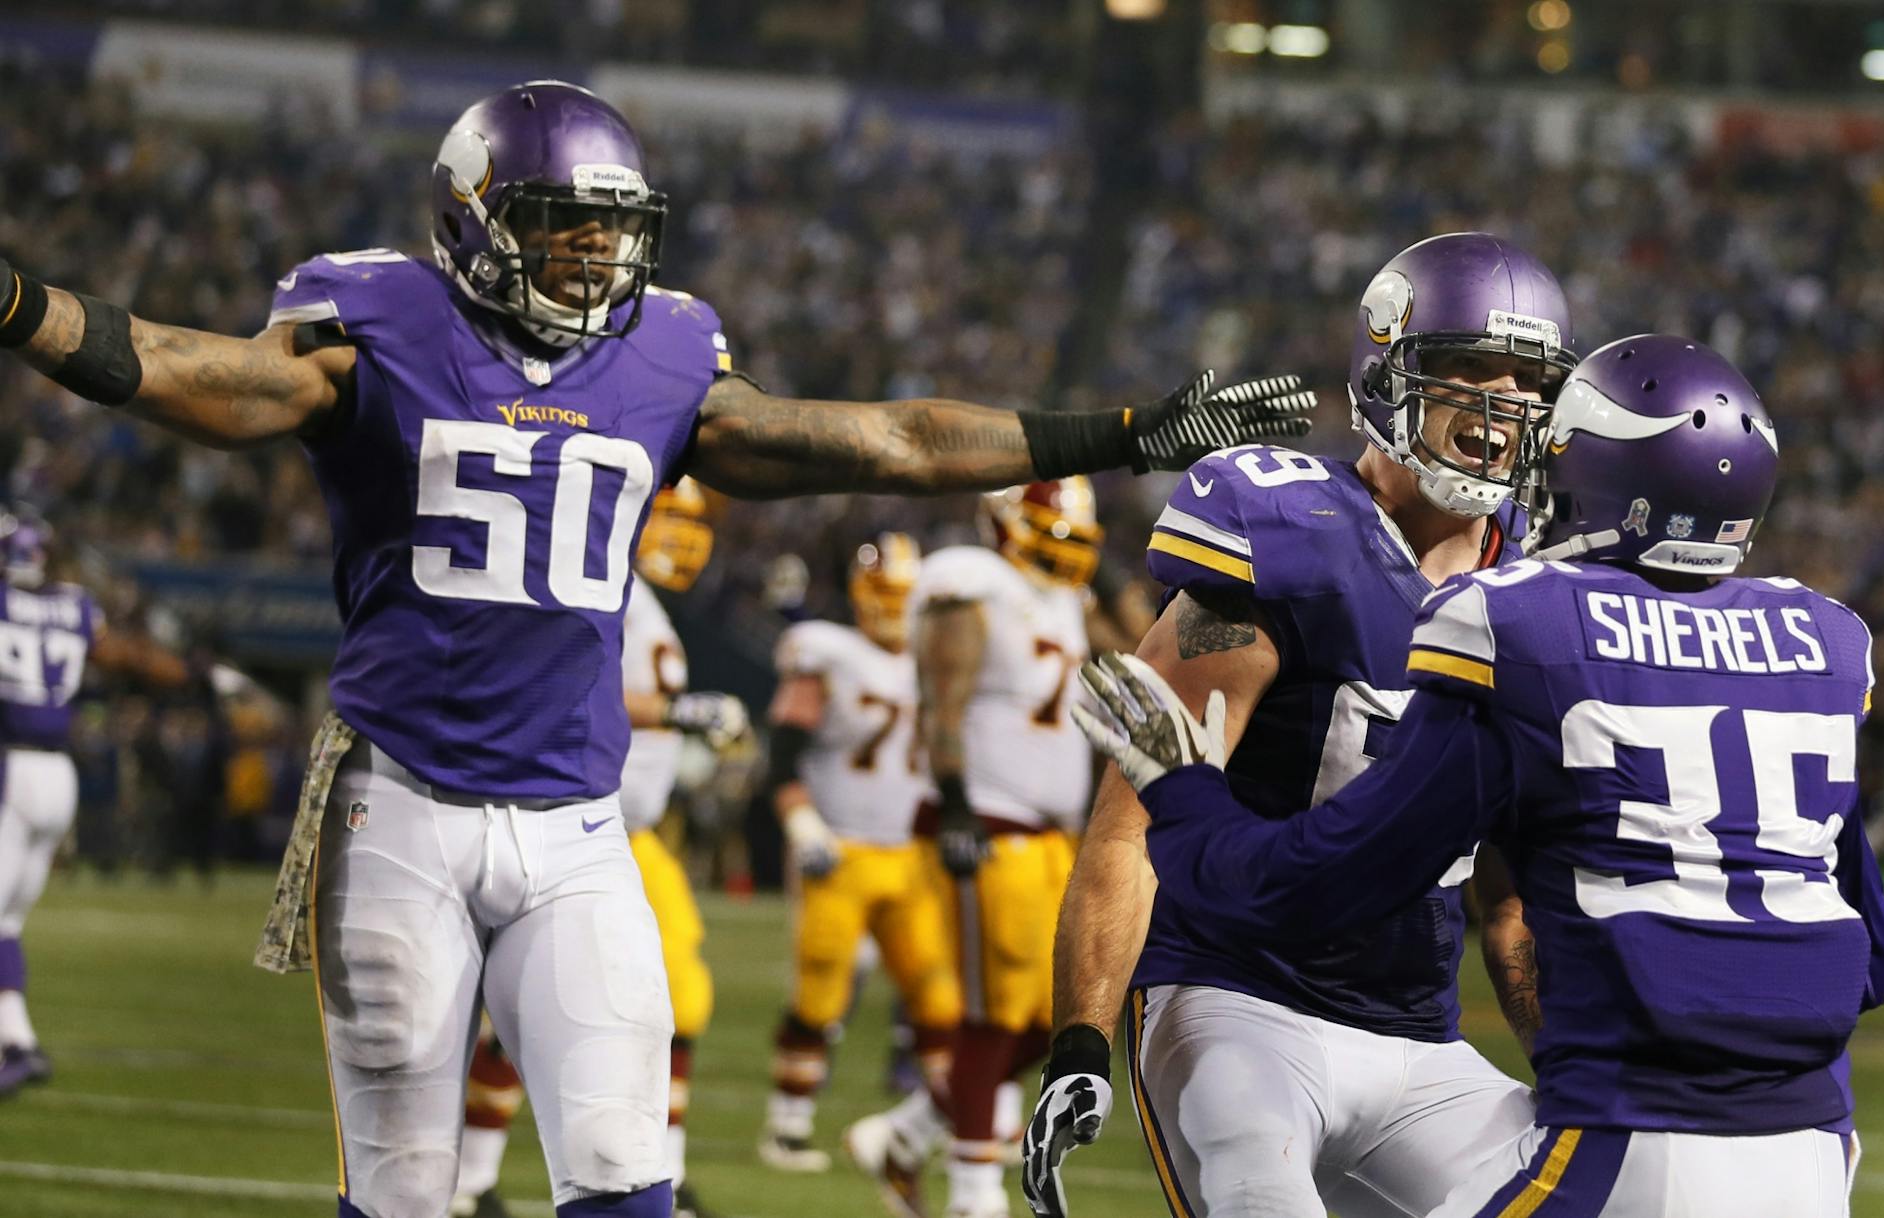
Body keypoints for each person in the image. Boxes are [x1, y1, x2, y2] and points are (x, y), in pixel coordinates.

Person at [0, 79, 1314, 1218]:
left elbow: (889, 439)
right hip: (398, 807)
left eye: (612, 228)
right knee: (402, 1184)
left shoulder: (665, 352)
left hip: (578, 828)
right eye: (560, 224)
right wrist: (17, 304)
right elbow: (183, 370)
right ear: (473, 217)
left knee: (629, 1169)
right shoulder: (379, 318)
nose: (591, 256)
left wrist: (1122, 432)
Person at [1076, 335, 1884, 1218]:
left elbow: (1326, 881)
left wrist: (1181, 793)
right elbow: (1873, 957)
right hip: (1818, 1150)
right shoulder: (1823, 641)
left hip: (1627, 1135)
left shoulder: (1527, 622)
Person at [1021, 233, 1577, 1218]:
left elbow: (1511, 902)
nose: (1503, 409)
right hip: (1235, 1002)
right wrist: (1079, 1045)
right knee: (1257, 1193)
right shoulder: (1285, 535)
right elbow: (1130, 825)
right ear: (1388, 371)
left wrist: (1580, 1077)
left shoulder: (1541, 593)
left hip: (1420, 1040)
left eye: (1528, 382)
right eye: (1467, 369)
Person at [452, 479, 745, 1218]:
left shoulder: (642, 601)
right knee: (529, 1005)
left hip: (634, 834)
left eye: (690, 523)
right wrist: (680, 710)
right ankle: (469, 1178)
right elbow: (569, 685)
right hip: (578, 823)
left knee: (680, 998)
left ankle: (666, 1173)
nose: (680, 537)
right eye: (667, 518)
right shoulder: (595, 584)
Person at [847, 479, 1104, 1218]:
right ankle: (973, 1196)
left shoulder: (1061, 599)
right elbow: (942, 700)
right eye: (1047, 532)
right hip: (985, 818)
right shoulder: (970, 581)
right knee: (993, 1013)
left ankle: (907, 1135)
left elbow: (1136, 637)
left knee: (1058, 1016)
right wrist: (956, 801)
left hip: (1050, 831)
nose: (1060, 551)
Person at [757, 532, 963, 1174]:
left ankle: (944, 1121)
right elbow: (781, 756)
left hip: (906, 854)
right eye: (884, 594)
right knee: (821, 990)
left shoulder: (932, 663)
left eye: (903, 596)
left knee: (937, 996)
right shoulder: (827, 654)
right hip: (840, 849)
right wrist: (801, 824)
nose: (893, 609)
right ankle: (787, 1126)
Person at [0, 512, 189, 1095]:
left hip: (11, 769)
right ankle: (18, 1045)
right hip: (61, 775)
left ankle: (18, 1046)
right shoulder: (76, 605)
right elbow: (135, 659)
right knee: (6, 921)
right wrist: (184, 668)